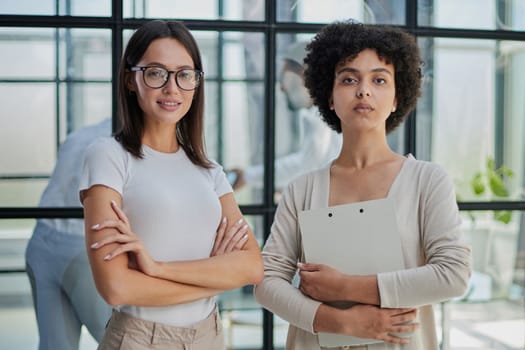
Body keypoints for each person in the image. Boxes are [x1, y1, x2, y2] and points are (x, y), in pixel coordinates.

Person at [254, 21, 472, 350]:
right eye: (349, 78)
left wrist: (346, 287)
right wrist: (341, 321)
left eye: (379, 79)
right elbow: (267, 282)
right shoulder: (302, 190)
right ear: (329, 95)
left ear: (398, 97)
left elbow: (454, 274)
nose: (363, 90)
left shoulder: (427, 181)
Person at [79, 20, 263, 349]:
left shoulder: (210, 171)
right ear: (130, 79)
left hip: (209, 335)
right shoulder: (108, 156)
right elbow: (116, 287)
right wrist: (215, 276)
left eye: (184, 74)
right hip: (141, 337)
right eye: (156, 73)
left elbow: (252, 265)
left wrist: (155, 267)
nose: (172, 88)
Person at [25, 118, 112, 350]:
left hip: (40, 242)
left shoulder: (81, 135)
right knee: (122, 340)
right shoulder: (121, 142)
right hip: (81, 248)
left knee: (55, 345)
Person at [228, 41, 341, 191]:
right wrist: (248, 176)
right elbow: (304, 165)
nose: (282, 87)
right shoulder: (318, 116)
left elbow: (305, 168)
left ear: (307, 75)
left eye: (286, 77)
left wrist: (249, 176)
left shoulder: (327, 119)